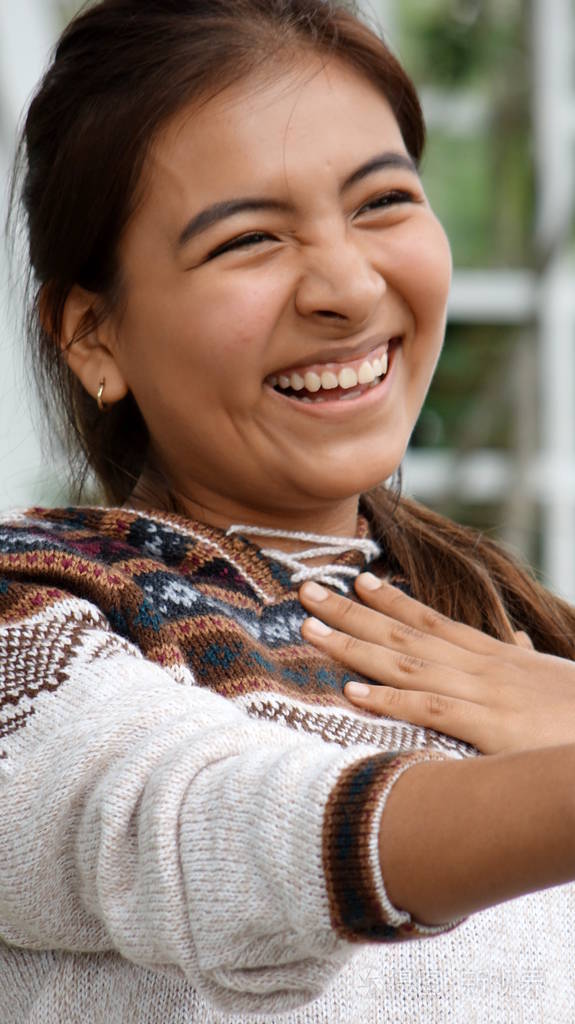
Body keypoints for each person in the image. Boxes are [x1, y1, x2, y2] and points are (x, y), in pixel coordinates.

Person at [2, 1, 575, 1021]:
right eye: (247, 240)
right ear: (93, 334)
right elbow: (216, 833)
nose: (348, 287)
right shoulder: (38, 619)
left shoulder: (523, 641)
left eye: (382, 201)